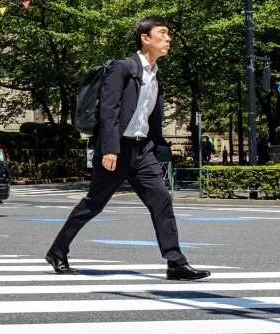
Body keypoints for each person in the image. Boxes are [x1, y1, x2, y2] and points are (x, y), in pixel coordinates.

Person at [45, 16, 211, 281]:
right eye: (163, 33)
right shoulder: (124, 68)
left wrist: (153, 145)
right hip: (117, 148)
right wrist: (109, 148)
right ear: (146, 38)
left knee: (162, 200)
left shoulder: (155, 73)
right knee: (94, 204)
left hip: (142, 150)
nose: (168, 39)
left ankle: (175, 262)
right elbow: (109, 109)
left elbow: (148, 114)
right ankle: (57, 251)